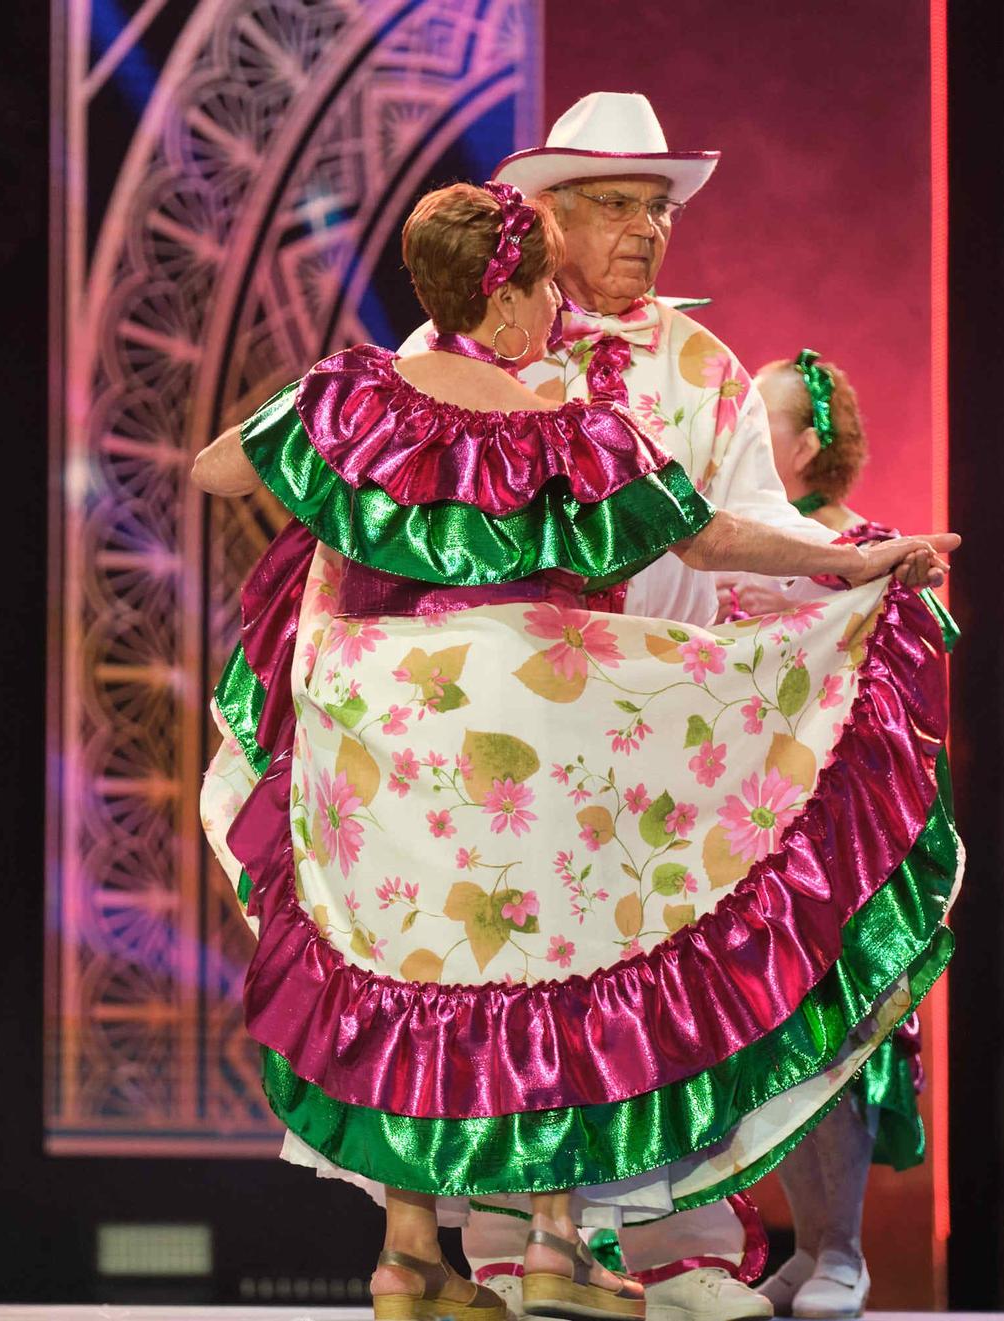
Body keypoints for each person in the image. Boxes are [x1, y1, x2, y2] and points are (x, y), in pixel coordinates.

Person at [194, 181, 961, 1321]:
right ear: (506, 301)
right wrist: (852, 566)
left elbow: (216, 471)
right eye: (545, 286)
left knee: (402, 965)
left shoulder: (352, 393)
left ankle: (408, 1257)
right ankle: (555, 1241)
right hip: (523, 714)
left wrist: (347, 492)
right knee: (549, 955)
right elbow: (700, 533)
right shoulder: (556, 425)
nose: (555, 309)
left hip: (382, 727)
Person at [399, 92, 942, 1321]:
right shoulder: (461, 349)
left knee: (659, 976)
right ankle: (500, 1236)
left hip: (657, 716)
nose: (646, 231)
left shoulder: (698, 368)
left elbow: (754, 526)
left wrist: (854, 564)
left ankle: (674, 1240)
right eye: (614, 205)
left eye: (656, 209)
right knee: (501, 962)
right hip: (503, 715)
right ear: (539, 216)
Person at [719, 351, 935, 1320]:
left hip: (842, 841)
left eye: (761, 418)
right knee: (777, 1048)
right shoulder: (734, 544)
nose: (744, 433)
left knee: (843, 1036)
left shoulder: (873, 549)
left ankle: (841, 1249)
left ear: (808, 445)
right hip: (751, 834)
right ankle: (808, 1247)